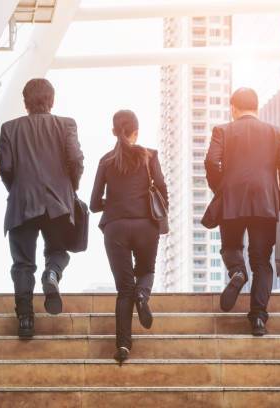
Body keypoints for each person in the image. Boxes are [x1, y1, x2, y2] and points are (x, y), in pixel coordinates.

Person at [204, 87, 280, 336]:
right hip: (265, 203)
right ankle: (257, 318)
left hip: (232, 200)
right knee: (262, 263)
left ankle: (237, 273)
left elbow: (212, 162)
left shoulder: (222, 130)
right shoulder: (275, 133)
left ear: (233, 108)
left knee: (231, 247)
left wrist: (222, 188)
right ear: (256, 108)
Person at [0, 78, 84, 338]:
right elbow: (76, 160)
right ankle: (52, 273)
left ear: (25, 102)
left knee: (22, 264)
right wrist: (71, 188)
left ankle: (25, 319)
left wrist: (17, 189)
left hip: (21, 203)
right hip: (57, 202)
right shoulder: (66, 124)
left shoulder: (9, 128)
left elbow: (5, 167)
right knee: (58, 250)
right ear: (52, 100)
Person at [90, 110, 168, 363]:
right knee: (146, 270)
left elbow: (93, 203)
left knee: (124, 290)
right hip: (146, 225)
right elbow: (162, 189)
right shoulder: (150, 156)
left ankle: (123, 346)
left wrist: (113, 203)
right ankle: (143, 295)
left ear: (114, 131)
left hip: (116, 228)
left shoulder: (105, 161)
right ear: (136, 131)